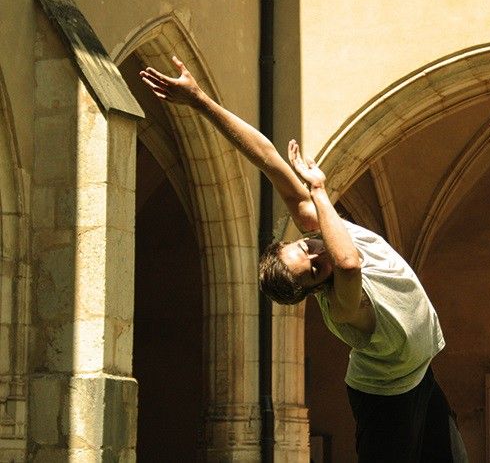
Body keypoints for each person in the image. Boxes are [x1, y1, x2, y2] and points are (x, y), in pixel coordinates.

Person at [140, 56, 467, 462]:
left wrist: (201, 101)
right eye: (313, 271)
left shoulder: (320, 232)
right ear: (316, 291)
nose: (317, 256)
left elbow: (267, 157)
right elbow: (349, 264)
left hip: (419, 376)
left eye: (305, 249)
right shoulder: (344, 304)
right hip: (386, 398)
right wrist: (319, 188)